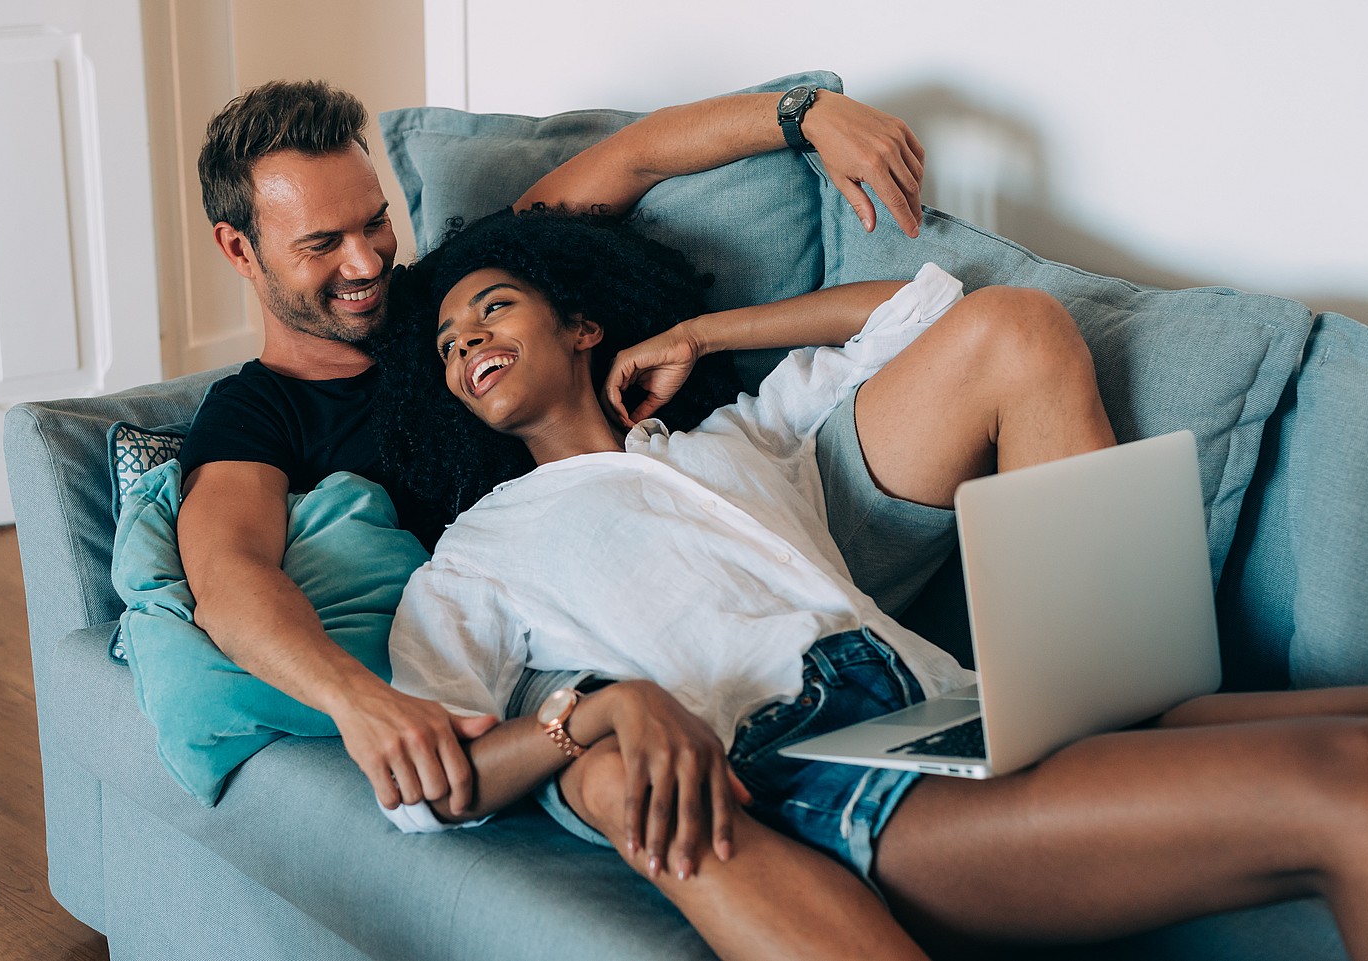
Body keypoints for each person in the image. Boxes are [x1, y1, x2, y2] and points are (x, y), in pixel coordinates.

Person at [375, 207, 1368, 961]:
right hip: (819, 775)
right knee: (1360, 775)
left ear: (582, 328)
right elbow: (431, 784)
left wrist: (701, 335)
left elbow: (925, 308)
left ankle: (1138, 689)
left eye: (494, 308)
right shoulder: (475, 553)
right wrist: (590, 717)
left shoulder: (733, 438)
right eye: (450, 340)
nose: (466, 338)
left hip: (966, 708)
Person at [175, 77, 936, 817]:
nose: (369, 263)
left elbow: (634, 158)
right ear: (239, 249)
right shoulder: (256, 412)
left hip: (711, 549)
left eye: (374, 222)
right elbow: (230, 575)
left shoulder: (457, 297)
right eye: (323, 243)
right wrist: (360, 700)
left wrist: (806, 113)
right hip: (547, 653)